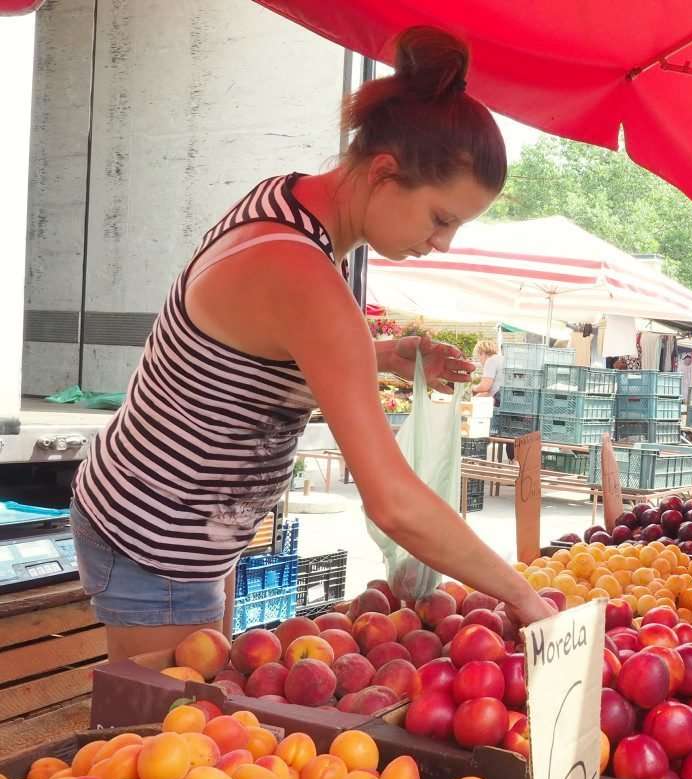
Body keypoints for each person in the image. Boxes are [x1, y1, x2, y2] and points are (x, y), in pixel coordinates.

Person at [70, 26, 556, 662]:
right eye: (441, 219)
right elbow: (393, 502)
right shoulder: (302, 272)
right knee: (162, 717)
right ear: (385, 173)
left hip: (190, 523)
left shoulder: (289, 203)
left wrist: (383, 354)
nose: (443, 243)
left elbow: (251, 353)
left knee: (201, 699)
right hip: (158, 531)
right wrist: (522, 595)